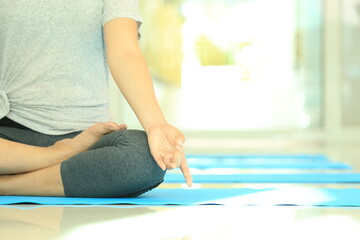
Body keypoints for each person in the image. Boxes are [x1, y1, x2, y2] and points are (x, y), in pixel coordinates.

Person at [0, 0, 192, 197]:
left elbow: (125, 52)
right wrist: (62, 152)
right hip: (8, 136)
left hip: (86, 139)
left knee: (144, 158)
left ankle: (7, 185)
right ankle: (58, 156)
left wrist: (156, 125)